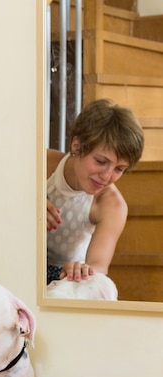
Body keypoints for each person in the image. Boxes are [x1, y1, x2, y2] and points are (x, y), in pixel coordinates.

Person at [46, 99, 144, 285]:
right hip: (19, 258)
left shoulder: (112, 205)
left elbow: (98, 268)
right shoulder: (41, 163)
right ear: (76, 146)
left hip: (64, 277)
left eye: (119, 169)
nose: (107, 176)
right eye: (100, 161)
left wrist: (81, 270)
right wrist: (26, 202)